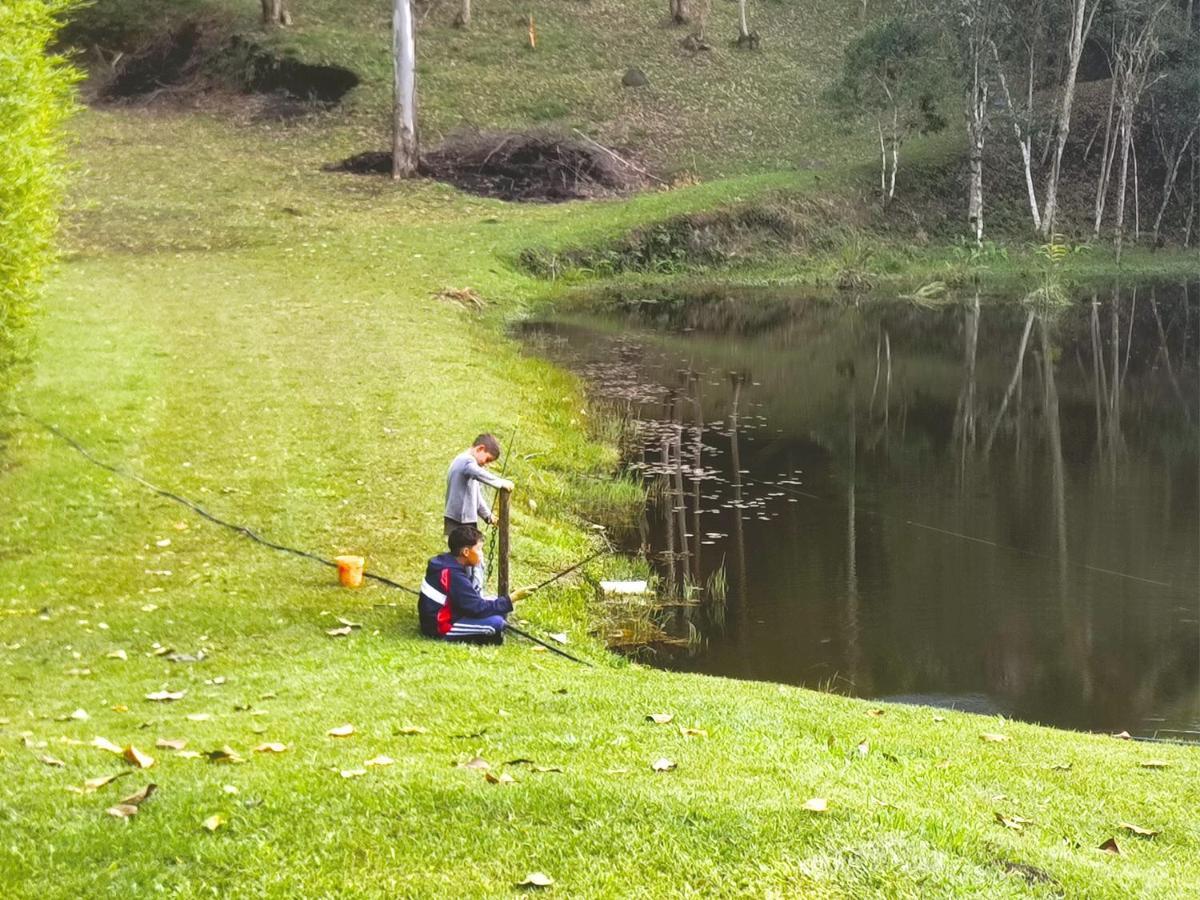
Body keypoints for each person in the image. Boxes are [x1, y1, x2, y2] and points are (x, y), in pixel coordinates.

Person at [418, 524, 529, 644]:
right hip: (439, 626)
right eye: (479, 549)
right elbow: (477, 608)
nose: (481, 554)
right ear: (466, 552)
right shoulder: (453, 575)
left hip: (452, 612)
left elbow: (471, 603)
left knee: (496, 606)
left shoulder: (448, 561)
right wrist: (513, 598)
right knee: (496, 624)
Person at [444, 433, 513, 589]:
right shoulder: (466, 461)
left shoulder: (468, 466)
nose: (485, 464)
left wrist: (488, 516)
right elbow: (478, 473)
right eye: (487, 459)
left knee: (473, 562)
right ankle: (472, 597)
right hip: (459, 523)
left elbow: (476, 496)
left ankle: (472, 596)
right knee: (468, 563)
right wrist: (500, 482)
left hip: (466, 522)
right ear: (480, 448)